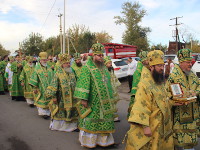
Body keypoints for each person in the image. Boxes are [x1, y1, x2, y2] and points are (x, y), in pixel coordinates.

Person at [126, 50, 174, 150]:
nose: (162, 68)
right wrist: (145, 126)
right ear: (151, 67)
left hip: (162, 124)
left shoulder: (159, 81)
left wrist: (173, 101)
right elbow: (140, 105)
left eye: (162, 65)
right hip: (151, 124)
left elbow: (164, 98)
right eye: (159, 66)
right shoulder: (144, 84)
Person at [74, 43, 116, 148]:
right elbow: (83, 83)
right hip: (93, 101)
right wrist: (84, 98)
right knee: (92, 121)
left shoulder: (104, 68)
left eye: (102, 55)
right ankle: (90, 142)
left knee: (104, 120)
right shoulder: (87, 68)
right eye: (99, 55)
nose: (101, 58)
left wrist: (112, 97)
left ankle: (104, 142)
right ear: (93, 56)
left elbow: (108, 83)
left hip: (105, 102)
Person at [167, 49, 200, 150]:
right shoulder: (173, 77)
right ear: (181, 62)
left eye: (191, 62)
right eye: (188, 62)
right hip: (180, 117)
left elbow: (199, 86)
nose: (190, 64)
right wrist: (174, 101)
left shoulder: (193, 75)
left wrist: (196, 93)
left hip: (193, 114)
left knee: (191, 144)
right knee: (180, 144)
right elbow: (167, 95)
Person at [46, 53, 79, 132]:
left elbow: (77, 82)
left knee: (72, 112)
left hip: (73, 97)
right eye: (66, 63)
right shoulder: (57, 74)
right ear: (62, 64)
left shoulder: (72, 72)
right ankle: (58, 127)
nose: (68, 65)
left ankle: (72, 127)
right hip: (61, 98)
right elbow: (53, 86)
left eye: (69, 63)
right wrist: (53, 97)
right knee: (62, 112)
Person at [29, 52, 54, 119]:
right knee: (42, 100)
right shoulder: (37, 68)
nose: (45, 61)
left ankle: (48, 112)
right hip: (40, 88)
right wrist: (34, 88)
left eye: (46, 60)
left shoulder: (49, 67)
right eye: (43, 60)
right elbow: (34, 79)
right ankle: (43, 113)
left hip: (49, 88)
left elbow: (53, 76)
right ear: (40, 60)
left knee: (49, 100)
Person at [127, 51, 149, 118]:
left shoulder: (147, 69)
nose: (148, 62)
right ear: (143, 61)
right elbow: (135, 86)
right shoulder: (138, 72)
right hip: (140, 95)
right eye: (147, 60)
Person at [104, 56, 121, 122]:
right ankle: (109, 117)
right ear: (105, 64)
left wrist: (116, 86)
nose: (110, 64)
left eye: (111, 63)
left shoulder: (111, 70)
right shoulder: (104, 72)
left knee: (114, 104)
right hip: (108, 91)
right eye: (109, 63)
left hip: (113, 90)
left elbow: (114, 78)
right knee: (109, 104)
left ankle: (115, 117)